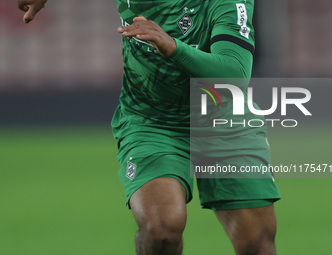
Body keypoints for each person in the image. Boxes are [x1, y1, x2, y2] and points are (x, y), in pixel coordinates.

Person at [18, 0, 281, 254]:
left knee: (256, 245)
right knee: (161, 233)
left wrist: (174, 47)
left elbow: (235, 74)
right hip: (152, 120)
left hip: (224, 121)